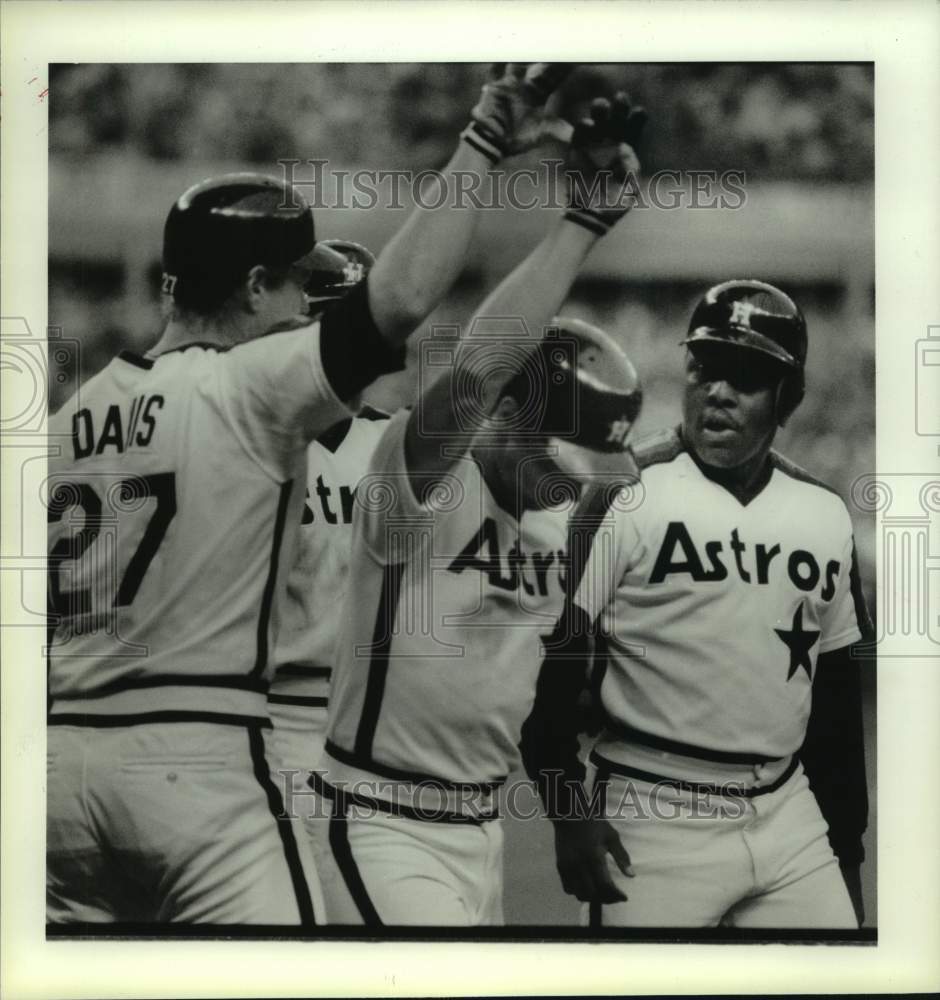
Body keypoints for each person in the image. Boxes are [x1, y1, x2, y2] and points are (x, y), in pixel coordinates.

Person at [45, 62, 571, 925]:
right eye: (296, 285)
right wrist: (485, 136)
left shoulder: (69, 418)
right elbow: (398, 302)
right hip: (206, 748)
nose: (305, 307)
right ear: (254, 287)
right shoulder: (247, 388)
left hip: (58, 770)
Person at [309, 93, 647, 925]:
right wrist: (581, 227)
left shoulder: (564, 519)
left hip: (483, 830)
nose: (576, 484)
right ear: (507, 416)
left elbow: (546, 695)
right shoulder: (416, 481)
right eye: (567, 459)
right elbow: (478, 367)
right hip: (379, 819)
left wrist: (565, 808)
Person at [521, 279, 872, 929]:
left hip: (786, 811)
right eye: (706, 368)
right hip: (651, 809)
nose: (720, 391)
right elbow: (549, 667)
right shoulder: (624, 491)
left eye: (747, 377)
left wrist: (845, 855)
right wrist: (568, 811)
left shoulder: (822, 513)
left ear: (786, 398)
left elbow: (836, 713)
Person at [268, 240, 390, 815]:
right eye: (337, 321)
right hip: (277, 711)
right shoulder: (259, 437)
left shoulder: (401, 446)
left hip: (380, 718)